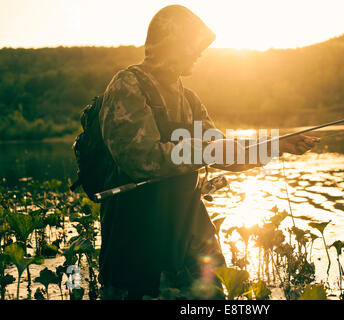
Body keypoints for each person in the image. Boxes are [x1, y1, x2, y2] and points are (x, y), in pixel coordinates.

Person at [98, 5, 320, 300]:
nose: (200, 53)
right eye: (195, 45)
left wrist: (276, 145)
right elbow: (141, 159)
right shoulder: (128, 84)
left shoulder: (189, 98)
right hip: (137, 239)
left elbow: (221, 150)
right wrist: (205, 151)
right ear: (172, 43)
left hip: (188, 232)